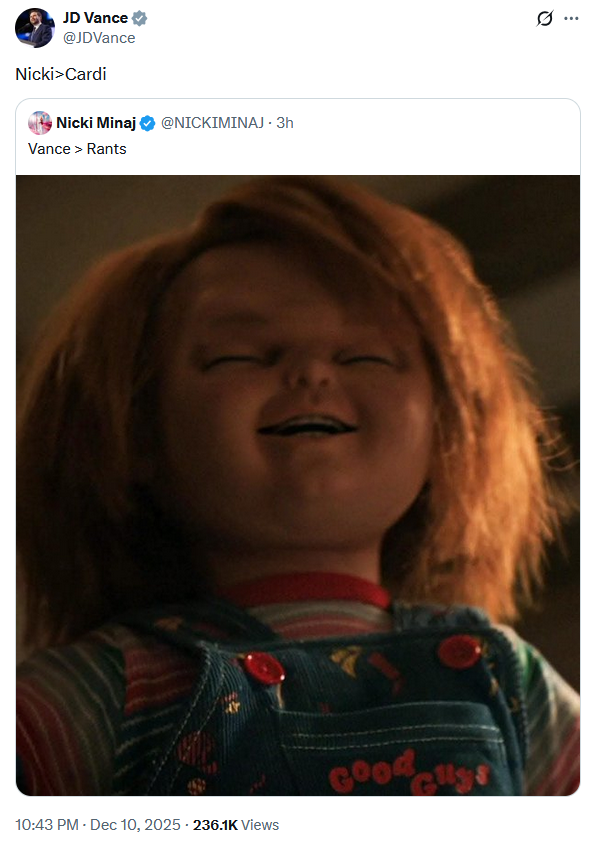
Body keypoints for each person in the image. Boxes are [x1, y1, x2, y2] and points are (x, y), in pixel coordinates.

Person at [16, 176, 579, 796]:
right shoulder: (103, 692)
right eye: (238, 356)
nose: (311, 373)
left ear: (446, 431)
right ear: (137, 432)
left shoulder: (508, 678)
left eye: (366, 357)